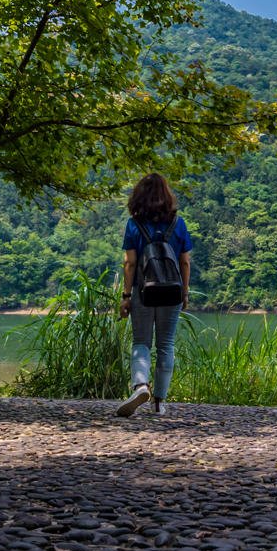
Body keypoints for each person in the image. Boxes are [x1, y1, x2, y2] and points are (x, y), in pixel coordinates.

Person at [116, 172, 191, 417]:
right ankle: (159, 403)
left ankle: (140, 386)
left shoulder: (133, 224)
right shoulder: (177, 223)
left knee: (141, 342)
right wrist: (185, 293)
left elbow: (130, 264)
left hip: (143, 292)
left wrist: (126, 296)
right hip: (172, 292)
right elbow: (185, 262)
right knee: (166, 344)